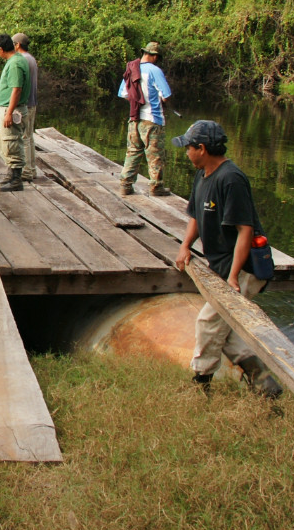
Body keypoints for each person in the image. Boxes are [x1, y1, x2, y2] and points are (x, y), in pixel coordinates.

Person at [171, 120, 281, 398]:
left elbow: (245, 231)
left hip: (244, 268)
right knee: (227, 332)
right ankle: (265, 384)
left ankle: (201, 383)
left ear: (202, 148)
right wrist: (185, 246)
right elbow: (196, 215)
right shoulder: (202, 174)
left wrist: (232, 276)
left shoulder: (231, 179)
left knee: (208, 322)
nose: (186, 153)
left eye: (188, 148)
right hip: (221, 265)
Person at [117, 41, 173, 196]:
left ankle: (125, 185)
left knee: (133, 152)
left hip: (134, 118)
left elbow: (123, 94)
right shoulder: (155, 71)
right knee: (155, 155)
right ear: (154, 56)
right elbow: (167, 95)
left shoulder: (131, 69)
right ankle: (156, 187)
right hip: (152, 120)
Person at [0, 34, 30, 192]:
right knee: (7, 143)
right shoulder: (17, 60)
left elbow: (17, 89)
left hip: (13, 109)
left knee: (12, 143)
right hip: (9, 107)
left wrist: (9, 113)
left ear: (1, 49)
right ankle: (11, 174)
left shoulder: (15, 64)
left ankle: (16, 180)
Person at [11, 32, 40, 182]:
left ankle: (27, 172)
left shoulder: (22, 60)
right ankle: (32, 169)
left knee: (24, 138)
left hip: (25, 105)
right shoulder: (32, 59)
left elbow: (18, 87)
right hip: (32, 103)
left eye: (13, 44)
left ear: (17, 45)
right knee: (29, 137)